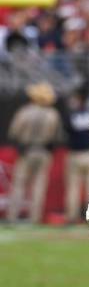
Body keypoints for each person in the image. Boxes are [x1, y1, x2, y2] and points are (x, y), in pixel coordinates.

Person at [6, 82, 63, 224]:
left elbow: (14, 132)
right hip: (44, 152)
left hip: (26, 151)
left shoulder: (24, 111)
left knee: (19, 184)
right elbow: (58, 136)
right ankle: (34, 218)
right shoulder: (53, 114)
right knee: (39, 185)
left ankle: (12, 216)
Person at [63, 92, 89, 224]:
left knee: (73, 187)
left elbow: (66, 130)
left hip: (75, 154)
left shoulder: (71, 115)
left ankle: (71, 216)